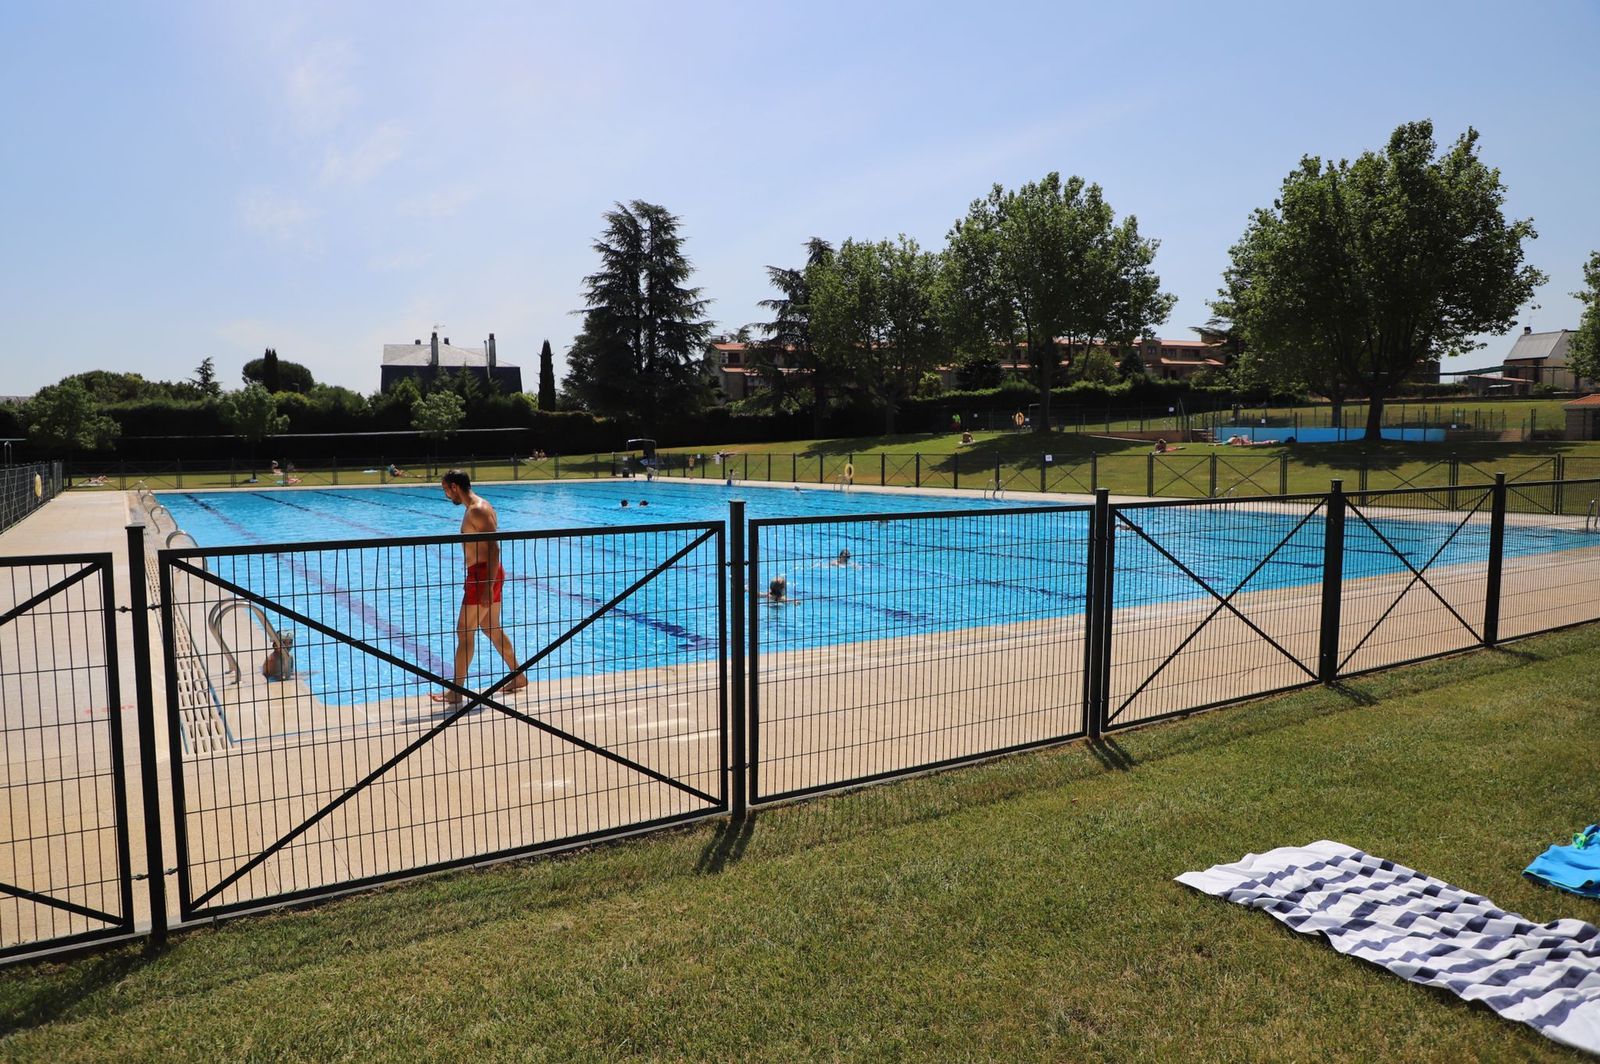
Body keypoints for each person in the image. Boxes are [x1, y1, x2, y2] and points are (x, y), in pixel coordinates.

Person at [433, 470, 527, 706]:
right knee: (491, 628)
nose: (446, 495)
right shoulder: (477, 507)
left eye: (445, 489)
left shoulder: (478, 509)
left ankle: (456, 691)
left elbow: (493, 548)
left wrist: (487, 585)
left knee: (464, 632)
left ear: (454, 487)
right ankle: (518, 676)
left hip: (483, 575)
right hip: (485, 574)